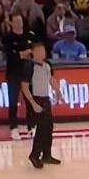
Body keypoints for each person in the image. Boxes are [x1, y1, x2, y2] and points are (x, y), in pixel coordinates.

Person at [20, 41, 60, 169]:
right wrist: (32, 103)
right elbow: (24, 86)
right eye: (39, 51)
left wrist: (57, 91)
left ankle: (47, 154)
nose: (42, 53)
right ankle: (34, 155)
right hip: (37, 99)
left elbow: (51, 79)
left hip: (46, 98)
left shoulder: (47, 65)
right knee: (42, 128)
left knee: (48, 127)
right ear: (33, 53)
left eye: (43, 51)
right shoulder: (29, 67)